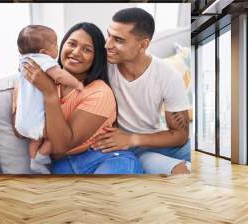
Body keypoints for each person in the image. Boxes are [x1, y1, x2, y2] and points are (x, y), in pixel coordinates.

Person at [22, 22, 143, 174]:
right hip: (63, 165)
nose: (76, 52)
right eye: (72, 44)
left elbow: (61, 146)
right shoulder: (39, 81)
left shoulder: (99, 92)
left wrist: (50, 94)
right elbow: (21, 129)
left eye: (87, 49)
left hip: (106, 158)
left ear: (96, 57)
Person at [92, 8, 191, 175]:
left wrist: (132, 139)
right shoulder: (103, 66)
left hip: (157, 140)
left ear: (143, 44)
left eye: (118, 40)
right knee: (181, 172)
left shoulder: (167, 75)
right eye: (108, 35)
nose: (107, 45)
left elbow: (180, 135)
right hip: (133, 151)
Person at [13, 25, 84, 174]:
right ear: (44, 52)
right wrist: (77, 83)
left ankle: (34, 162)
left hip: (21, 121)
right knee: (55, 135)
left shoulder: (23, 61)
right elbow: (59, 75)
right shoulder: (43, 60)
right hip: (35, 119)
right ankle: (40, 157)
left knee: (34, 139)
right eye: (56, 45)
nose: (58, 48)